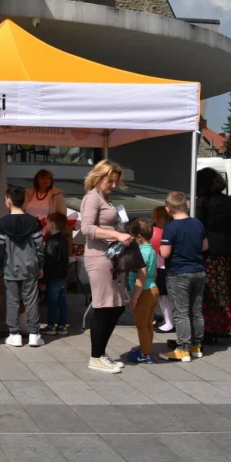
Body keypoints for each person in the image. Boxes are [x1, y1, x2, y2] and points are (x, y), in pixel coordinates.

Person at [78, 160, 133, 374]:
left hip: (112, 256)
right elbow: (87, 228)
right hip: (99, 256)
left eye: (115, 182)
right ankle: (95, 356)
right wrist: (116, 234)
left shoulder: (104, 198)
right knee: (104, 307)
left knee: (117, 306)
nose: (113, 185)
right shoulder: (91, 198)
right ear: (98, 177)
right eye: (110, 181)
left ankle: (100, 353)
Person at [159, 191, 208, 363]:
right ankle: (196, 346)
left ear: (168, 209)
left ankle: (182, 349)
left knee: (181, 313)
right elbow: (205, 246)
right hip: (199, 271)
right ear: (186, 205)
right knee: (196, 311)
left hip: (178, 273)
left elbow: (165, 253)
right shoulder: (197, 224)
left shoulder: (170, 228)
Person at [0, 186, 44, 348]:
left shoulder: (2, 223)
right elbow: (39, 245)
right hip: (30, 267)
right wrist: (40, 264)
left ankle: (14, 334)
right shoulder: (33, 222)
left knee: (12, 301)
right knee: (31, 300)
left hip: (9, 267)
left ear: (8, 201)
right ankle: (34, 334)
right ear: (24, 201)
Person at [195, 168, 231, 344]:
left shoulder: (202, 203)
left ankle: (207, 328)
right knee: (224, 290)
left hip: (208, 251)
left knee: (208, 291)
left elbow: (199, 226)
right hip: (225, 250)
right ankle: (222, 326)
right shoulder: (229, 201)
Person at [126, 218, 159, 364]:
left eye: (132, 237)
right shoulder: (151, 250)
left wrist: (134, 298)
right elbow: (155, 272)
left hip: (144, 292)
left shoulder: (141, 253)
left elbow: (141, 276)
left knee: (141, 325)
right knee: (148, 324)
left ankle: (145, 354)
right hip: (153, 289)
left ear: (138, 237)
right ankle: (146, 349)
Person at [40, 212, 70, 336]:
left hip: (52, 277)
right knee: (62, 301)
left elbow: (49, 263)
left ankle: (51, 325)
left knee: (52, 302)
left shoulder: (51, 242)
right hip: (62, 276)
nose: (45, 226)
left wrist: (43, 280)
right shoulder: (64, 239)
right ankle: (62, 325)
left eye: (46, 223)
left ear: (52, 225)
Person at [151, 206, 175, 333]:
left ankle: (169, 322)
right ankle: (168, 320)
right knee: (164, 297)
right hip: (162, 266)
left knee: (164, 297)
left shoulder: (164, 231)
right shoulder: (167, 230)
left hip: (163, 267)